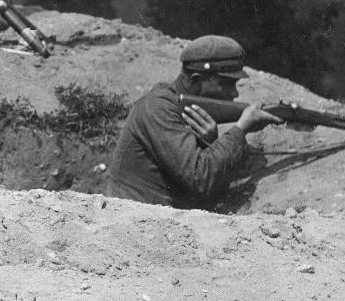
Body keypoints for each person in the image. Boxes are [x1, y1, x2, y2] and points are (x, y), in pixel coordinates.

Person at [106, 35, 283, 208]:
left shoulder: (173, 104)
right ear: (197, 80)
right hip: (132, 215)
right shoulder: (158, 108)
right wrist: (240, 130)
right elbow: (200, 179)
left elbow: (207, 192)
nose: (234, 93)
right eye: (227, 84)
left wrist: (210, 144)